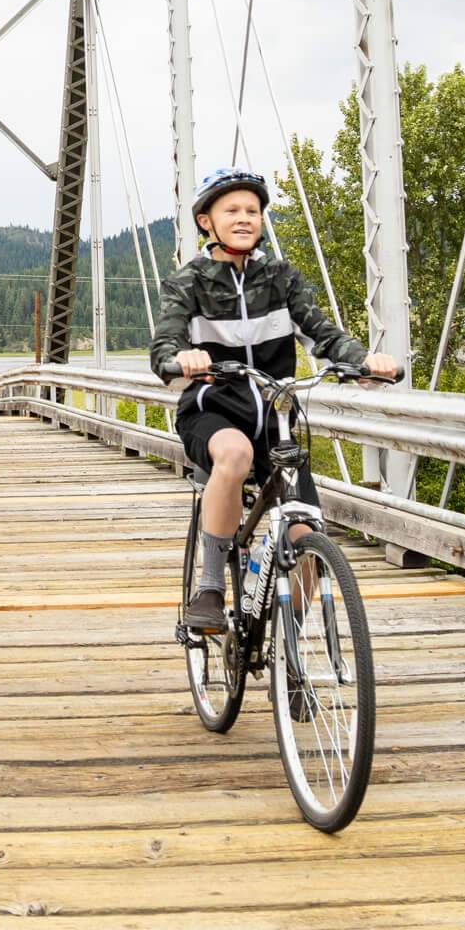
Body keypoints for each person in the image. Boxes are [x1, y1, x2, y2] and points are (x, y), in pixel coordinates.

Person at [149, 168, 399, 633]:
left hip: (276, 415)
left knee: (308, 536)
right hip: (213, 407)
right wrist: (180, 358)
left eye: (253, 211)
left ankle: (291, 652)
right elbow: (165, 341)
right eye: (232, 211)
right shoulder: (190, 283)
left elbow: (322, 334)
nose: (245, 218)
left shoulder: (282, 278)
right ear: (207, 222)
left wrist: (363, 362)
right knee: (235, 455)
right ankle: (209, 587)